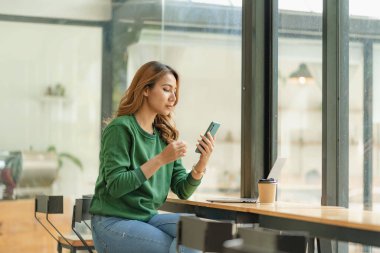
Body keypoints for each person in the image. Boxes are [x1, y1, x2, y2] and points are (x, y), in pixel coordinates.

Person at [90, 61, 215, 253]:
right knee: (175, 247)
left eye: (175, 91)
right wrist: (161, 159)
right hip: (112, 222)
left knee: (197, 231)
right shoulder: (120, 129)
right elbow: (116, 186)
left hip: (147, 218)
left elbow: (182, 190)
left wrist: (201, 164)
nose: (173, 98)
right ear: (146, 90)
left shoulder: (165, 136)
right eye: (166, 89)